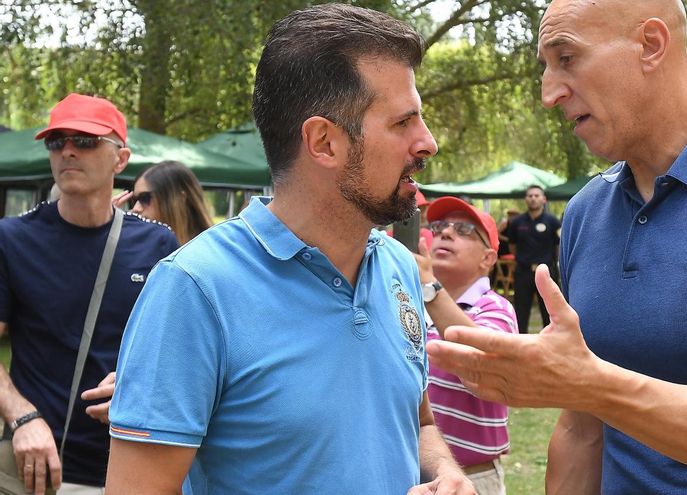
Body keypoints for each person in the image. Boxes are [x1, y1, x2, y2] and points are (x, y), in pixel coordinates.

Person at [426, 1, 687, 494]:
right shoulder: (588, 209)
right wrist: (584, 388)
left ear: (651, 45)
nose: (549, 93)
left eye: (566, 57)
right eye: (544, 67)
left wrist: (590, 384)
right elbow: (580, 431)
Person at [105, 5, 474, 494]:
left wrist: (445, 473)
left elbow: (418, 420)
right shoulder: (194, 289)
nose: (426, 142)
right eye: (403, 122)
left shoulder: (399, 269)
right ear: (323, 142)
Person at [0, 93, 178, 494]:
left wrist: (142, 383)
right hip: (34, 470)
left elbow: (182, 352)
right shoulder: (12, 239)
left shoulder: (158, 245)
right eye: (55, 141)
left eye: (84, 141)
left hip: (133, 466)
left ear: (121, 159)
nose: (67, 151)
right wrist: (21, 416)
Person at [413, 196, 516, 494]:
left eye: (464, 230)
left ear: (488, 259)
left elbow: (478, 363)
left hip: (471, 479)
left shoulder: (495, 308)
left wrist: (430, 288)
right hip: (411, 472)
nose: (446, 233)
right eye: (440, 226)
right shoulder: (411, 303)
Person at [115, 161, 213, 244]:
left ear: (179, 199)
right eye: (134, 200)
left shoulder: (211, 251)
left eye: (144, 198)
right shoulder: (134, 246)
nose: (136, 208)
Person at [507, 185, 560, 333]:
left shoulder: (553, 221)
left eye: (537, 195)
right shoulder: (517, 222)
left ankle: (551, 345)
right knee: (521, 311)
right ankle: (519, 347)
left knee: (549, 312)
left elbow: (559, 245)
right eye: (530, 196)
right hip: (523, 272)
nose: (533, 198)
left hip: (547, 273)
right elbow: (512, 246)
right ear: (526, 199)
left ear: (544, 199)